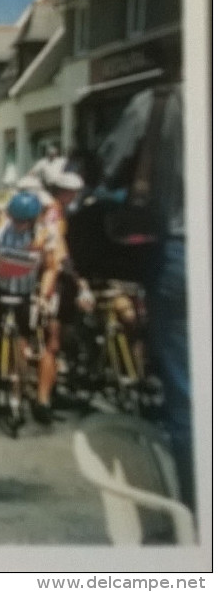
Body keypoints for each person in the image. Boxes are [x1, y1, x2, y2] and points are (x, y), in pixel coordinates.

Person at [98, 84, 191, 511]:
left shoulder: (161, 100)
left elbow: (111, 163)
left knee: (191, 394)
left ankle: (200, 521)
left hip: (184, 245)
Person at [0, 190, 61, 424]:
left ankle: (19, 389)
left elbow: (50, 267)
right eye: (15, 219)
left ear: (34, 219)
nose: (18, 225)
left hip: (25, 293)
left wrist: (43, 295)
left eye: (24, 221)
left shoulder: (45, 235)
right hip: (1, 289)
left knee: (23, 343)